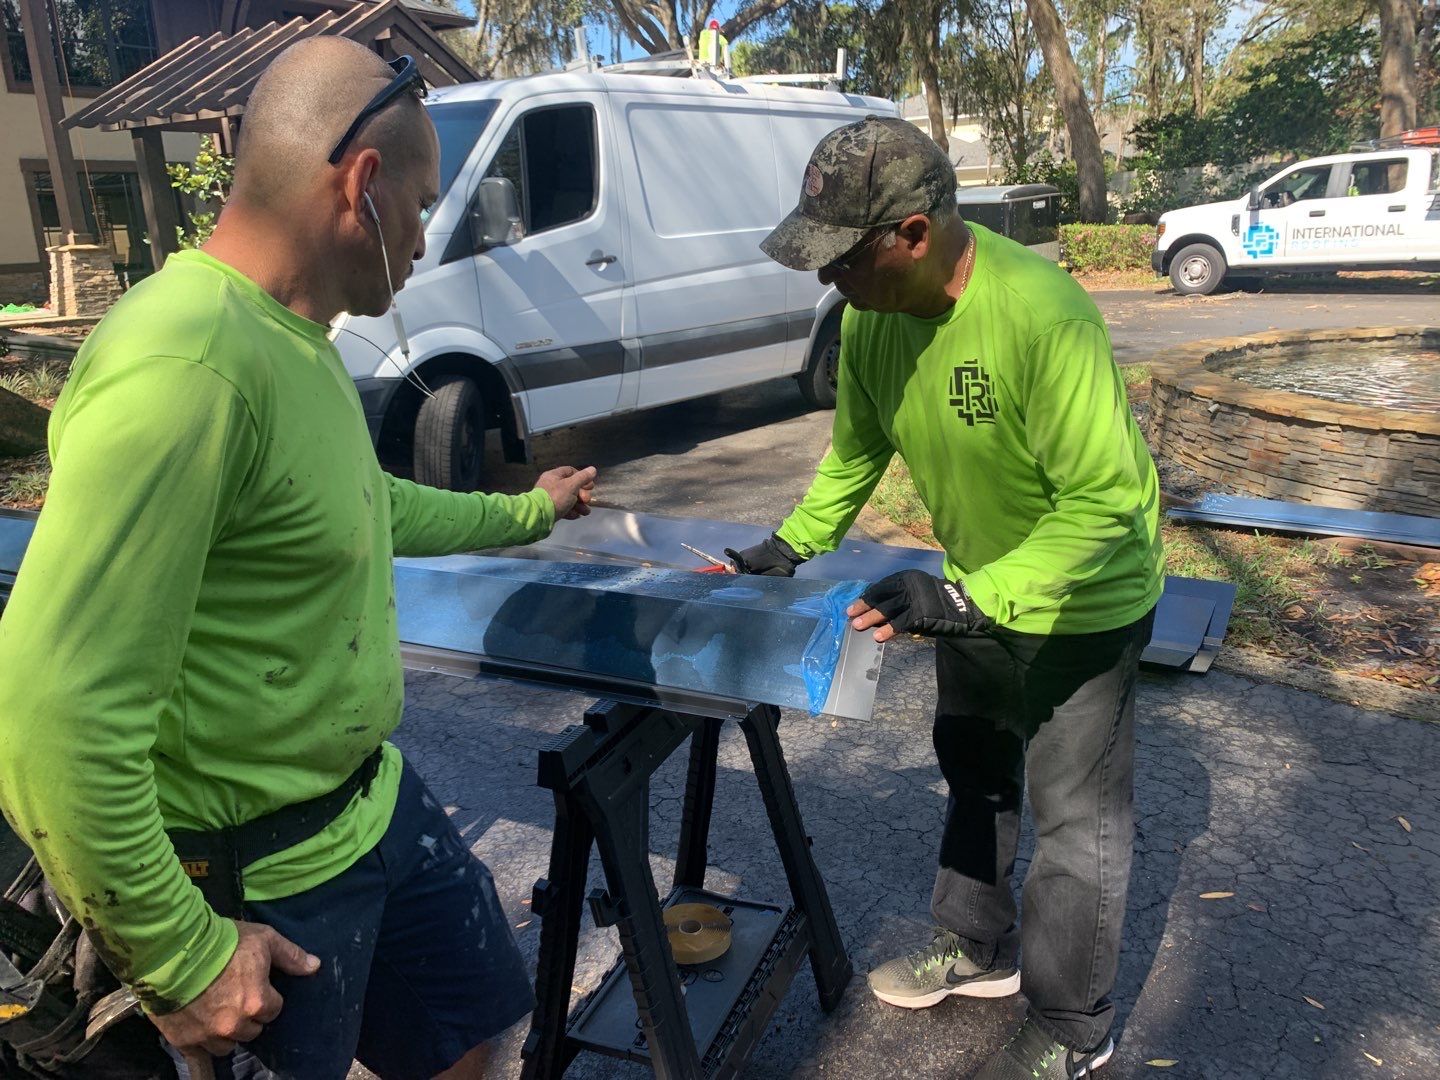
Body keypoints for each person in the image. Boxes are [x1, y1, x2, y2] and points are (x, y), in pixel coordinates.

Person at [0, 37, 597, 1080]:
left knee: (471, 1033)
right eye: (420, 202)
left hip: (368, 805)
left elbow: (362, 509)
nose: (423, 238)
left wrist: (524, 514)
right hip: (253, 870)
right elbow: (48, 718)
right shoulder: (189, 362)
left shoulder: (294, 340)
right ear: (362, 188)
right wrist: (183, 958)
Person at [726, 116, 1162, 1079]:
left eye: (844, 260)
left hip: (1082, 603)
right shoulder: (872, 318)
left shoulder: (1042, 315)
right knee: (974, 771)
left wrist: (970, 598)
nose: (828, 281)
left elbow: (1106, 505)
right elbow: (857, 448)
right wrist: (792, 545)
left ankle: (1074, 1027)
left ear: (914, 235)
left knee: (1075, 824)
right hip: (972, 591)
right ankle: (976, 946)